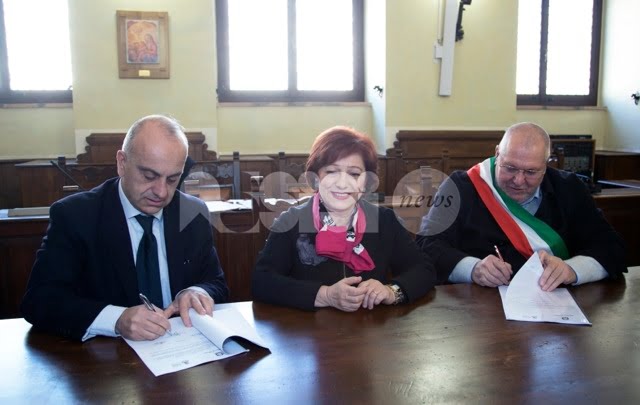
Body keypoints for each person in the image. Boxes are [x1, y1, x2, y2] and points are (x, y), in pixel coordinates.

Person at [21, 114, 229, 341]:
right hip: (106, 355)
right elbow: (39, 300)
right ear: (122, 163)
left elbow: (215, 282)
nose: (161, 192)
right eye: (149, 176)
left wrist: (197, 292)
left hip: (182, 347)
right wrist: (116, 319)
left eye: (172, 180)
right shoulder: (75, 216)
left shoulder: (192, 212)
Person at [417, 122, 627, 290]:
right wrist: (473, 269)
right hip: (479, 308)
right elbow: (427, 244)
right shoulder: (460, 186)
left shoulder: (569, 188)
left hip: (556, 306)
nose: (518, 180)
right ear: (497, 153)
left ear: (547, 164)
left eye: (531, 172)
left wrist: (572, 270)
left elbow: (612, 247)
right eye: (510, 168)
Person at [252, 126, 436, 311]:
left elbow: (423, 269)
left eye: (354, 174)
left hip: (370, 325)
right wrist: (325, 295)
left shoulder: (385, 221)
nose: (342, 183)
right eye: (331, 171)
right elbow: (262, 281)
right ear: (316, 178)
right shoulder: (291, 222)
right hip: (308, 326)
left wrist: (391, 291)